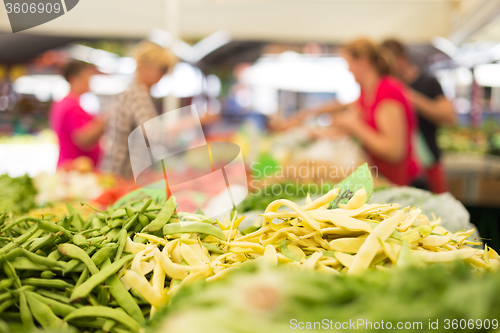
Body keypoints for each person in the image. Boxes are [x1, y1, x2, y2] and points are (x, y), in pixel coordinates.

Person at [280, 38, 420, 186]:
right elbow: (346, 122)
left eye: (348, 64)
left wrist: (354, 126)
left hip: (396, 182)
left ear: (362, 61)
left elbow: (394, 151)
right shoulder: (366, 93)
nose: (348, 70)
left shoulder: (389, 90)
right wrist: (310, 129)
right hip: (376, 177)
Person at [382, 39, 455, 193]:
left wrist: (407, 96)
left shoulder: (428, 82)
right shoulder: (386, 87)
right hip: (403, 168)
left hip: (429, 163)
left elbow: (449, 117)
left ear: (401, 59)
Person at [100, 41, 176, 178]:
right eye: (162, 69)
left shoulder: (134, 92)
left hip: (120, 173)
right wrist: (194, 121)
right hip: (122, 175)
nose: (163, 75)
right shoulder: (137, 94)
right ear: (145, 66)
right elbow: (154, 133)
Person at [50, 60, 105, 169]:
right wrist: (106, 120)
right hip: (75, 171)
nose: (89, 81)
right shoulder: (71, 105)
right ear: (74, 78)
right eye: (87, 76)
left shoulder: (65, 103)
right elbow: (83, 139)